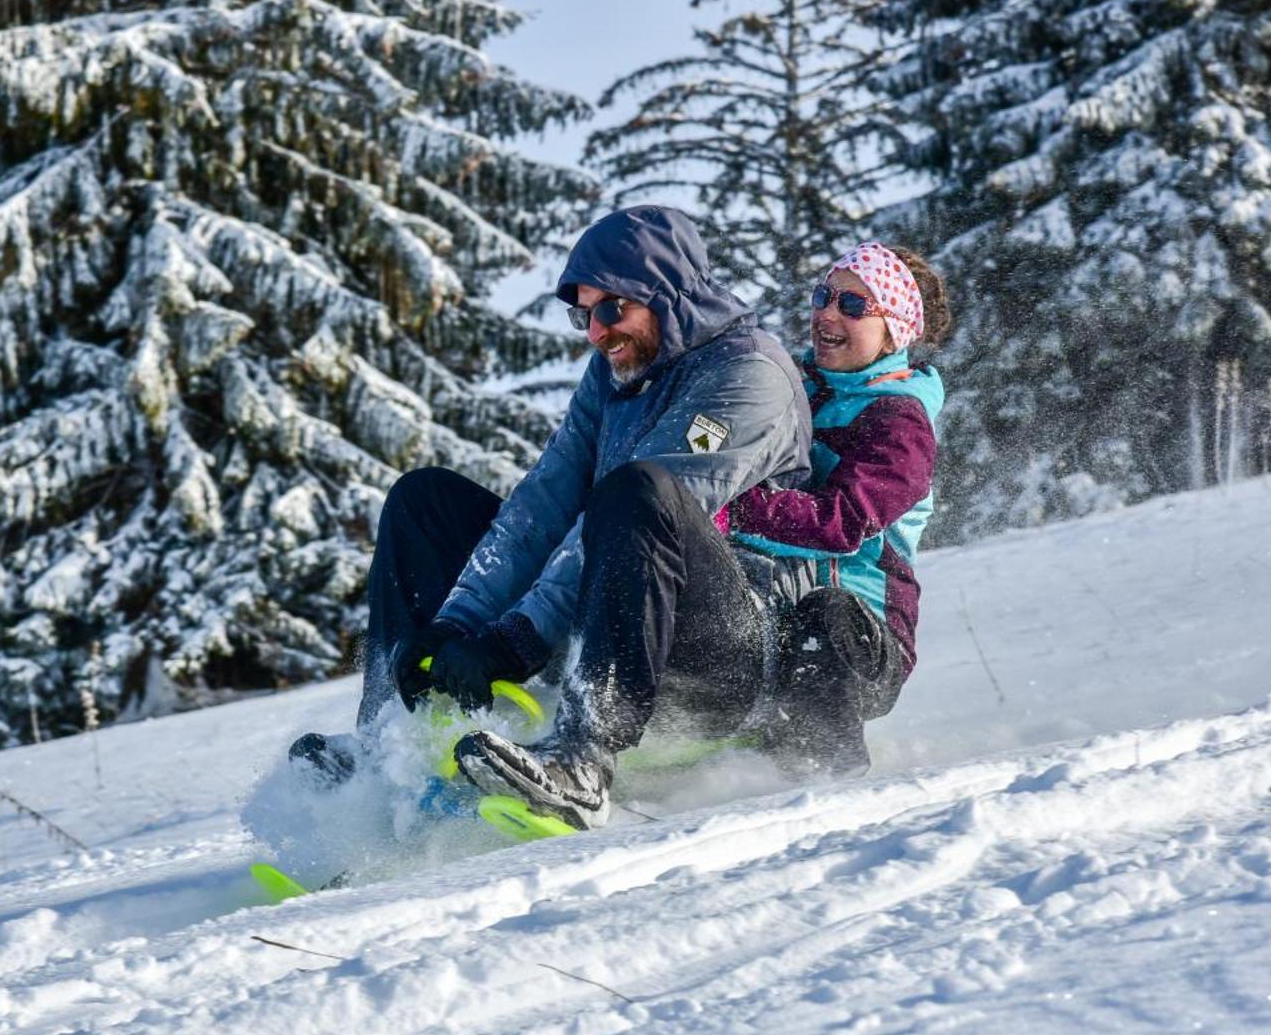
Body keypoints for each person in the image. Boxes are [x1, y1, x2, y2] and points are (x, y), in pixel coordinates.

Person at [288, 205, 812, 829]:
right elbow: (545, 502)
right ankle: (391, 740)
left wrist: (517, 638)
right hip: (616, 617)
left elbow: (630, 516)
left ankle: (583, 761)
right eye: (583, 315)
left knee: (639, 491)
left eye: (611, 309)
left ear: (666, 294)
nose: (595, 331)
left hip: (724, 649)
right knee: (422, 500)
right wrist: (459, 621)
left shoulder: (749, 377)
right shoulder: (617, 370)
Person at [727, 242, 951, 779]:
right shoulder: (793, 386)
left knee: (822, 617)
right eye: (823, 296)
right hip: (770, 596)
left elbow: (842, 523)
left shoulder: (900, 421)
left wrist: (733, 510)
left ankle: (826, 776)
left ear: (894, 331)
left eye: (853, 307)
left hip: (862, 639)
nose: (827, 313)